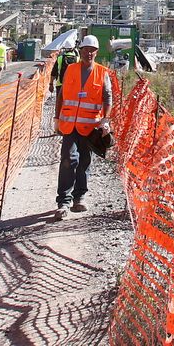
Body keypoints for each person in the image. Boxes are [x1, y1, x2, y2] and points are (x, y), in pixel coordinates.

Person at [53, 34, 112, 217]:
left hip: (89, 127)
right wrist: (56, 118)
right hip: (69, 125)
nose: (89, 53)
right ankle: (63, 201)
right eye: (86, 50)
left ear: (96, 52)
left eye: (92, 51)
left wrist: (105, 120)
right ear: (81, 51)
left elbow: (108, 97)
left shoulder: (102, 72)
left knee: (84, 162)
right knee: (69, 160)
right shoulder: (71, 69)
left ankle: (79, 198)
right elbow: (61, 95)